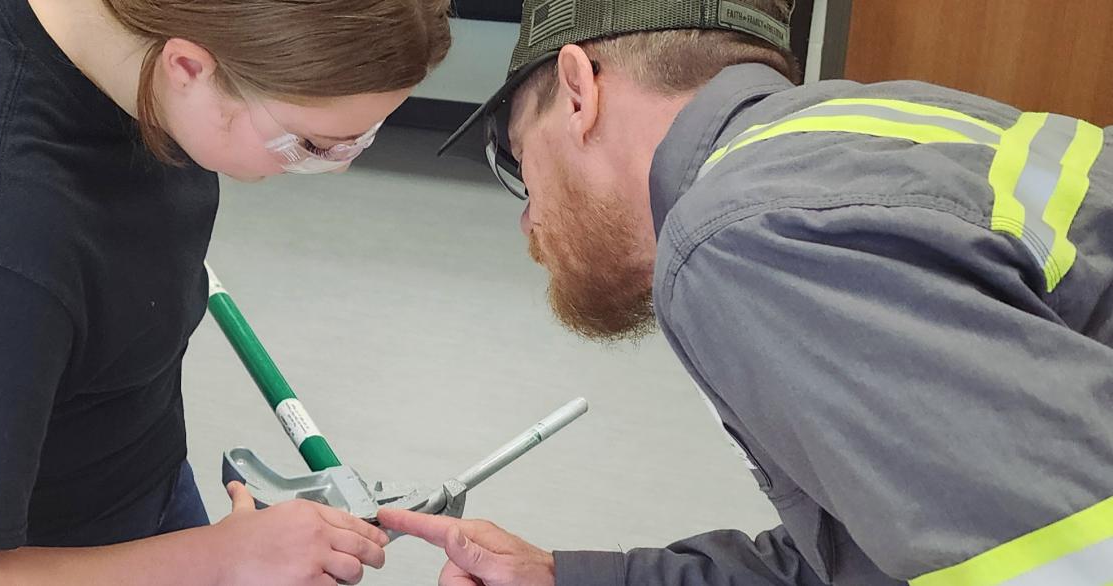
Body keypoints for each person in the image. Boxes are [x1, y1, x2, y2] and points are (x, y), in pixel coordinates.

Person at [379, 0, 1113, 584]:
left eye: (519, 161)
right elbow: (877, 556)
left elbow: (1068, 564)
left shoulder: (738, 234)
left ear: (578, 92)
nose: (529, 219)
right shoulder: (876, 133)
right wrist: (562, 578)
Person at [0, 0, 449, 583]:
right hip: (13, 541)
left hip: (114, 450)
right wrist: (217, 559)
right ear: (187, 66)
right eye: (312, 145)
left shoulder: (122, 39)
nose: (339, 166)